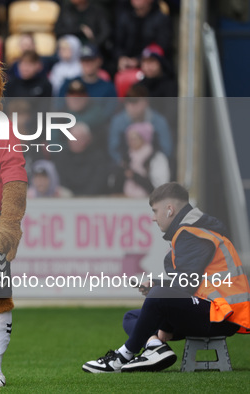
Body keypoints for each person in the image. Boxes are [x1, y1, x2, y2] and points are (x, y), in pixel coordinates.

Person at [82, 182, 250, 373]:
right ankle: (155, 348)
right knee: (131, 316)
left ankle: (121, 358)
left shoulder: (191, 234)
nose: (153, 218)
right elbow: (193, 281)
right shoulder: (195, 231)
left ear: (170, 209)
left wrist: (166, 322)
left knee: (158, 295)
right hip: (213, 311)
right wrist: (157, 284)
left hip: (222, 316)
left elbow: (185, 286)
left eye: (155, 211)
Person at [108, 85, 173, 165]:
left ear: (146, 102)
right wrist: (125, 165)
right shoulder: (118, 122)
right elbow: (114, 149)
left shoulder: (159, 122)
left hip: (153, 166)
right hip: (127, 167)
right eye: (128, 102)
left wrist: (153, 164)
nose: (131, 106)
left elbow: (166, 149)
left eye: (135, 102)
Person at [115, 0, 172, 71]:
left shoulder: (161, 19)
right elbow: (117, 43)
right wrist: (121, 58)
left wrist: (138, 60)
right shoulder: (125, 16)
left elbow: (161, 47)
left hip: (152, 65)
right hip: (126, 64)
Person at [55, 122, 109, 196]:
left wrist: (84, 197)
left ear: (88, 139)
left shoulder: (98, 157)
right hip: (67, 200)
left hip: (92, 199)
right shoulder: (62, 157)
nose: (74, 142)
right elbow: (60, 180)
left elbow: (98, 181)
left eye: (78, 138)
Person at [120, 122, 170, 197]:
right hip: (127, 199)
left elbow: (159, 187)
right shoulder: (127, 157)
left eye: (134, 139)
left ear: (144, 138)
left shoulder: (156, 157)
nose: (131, 142)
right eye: (129, 139)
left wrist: (134, 176)